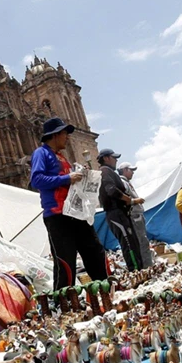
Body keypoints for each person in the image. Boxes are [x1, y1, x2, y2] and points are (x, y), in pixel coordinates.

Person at [30, 118, 109, 290]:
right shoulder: (41, 154)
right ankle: (65, 304)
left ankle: (106, 289)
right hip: (57, 215)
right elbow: (36, 180)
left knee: (94, 250)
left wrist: (80, 176)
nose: (67, 137)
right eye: (65, 133)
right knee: (65, 260)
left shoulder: (61, 157)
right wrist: (67, 178)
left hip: (75, 212)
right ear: (55, 135)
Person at [98, 148, 143, 272]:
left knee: (133, 242)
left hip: (121, 213)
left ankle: (139, 269)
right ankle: (135, 271)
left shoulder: (109, 172)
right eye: (114, 157)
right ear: (106, 158)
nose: (116, 160)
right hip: (115, 213)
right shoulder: (105, 171)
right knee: (128, 244)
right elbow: (111, 190)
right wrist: (127, 199)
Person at [118, 161, 154, 268]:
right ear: (124, 170)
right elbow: (124, 198)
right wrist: (135, 201)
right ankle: (147, 267)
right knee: (142, 241)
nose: (133, 173)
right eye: (131, 170)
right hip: (134, 215)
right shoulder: (123, 182)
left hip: (136, 215)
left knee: (142, 241)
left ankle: (147, 266)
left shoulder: (126, 182)